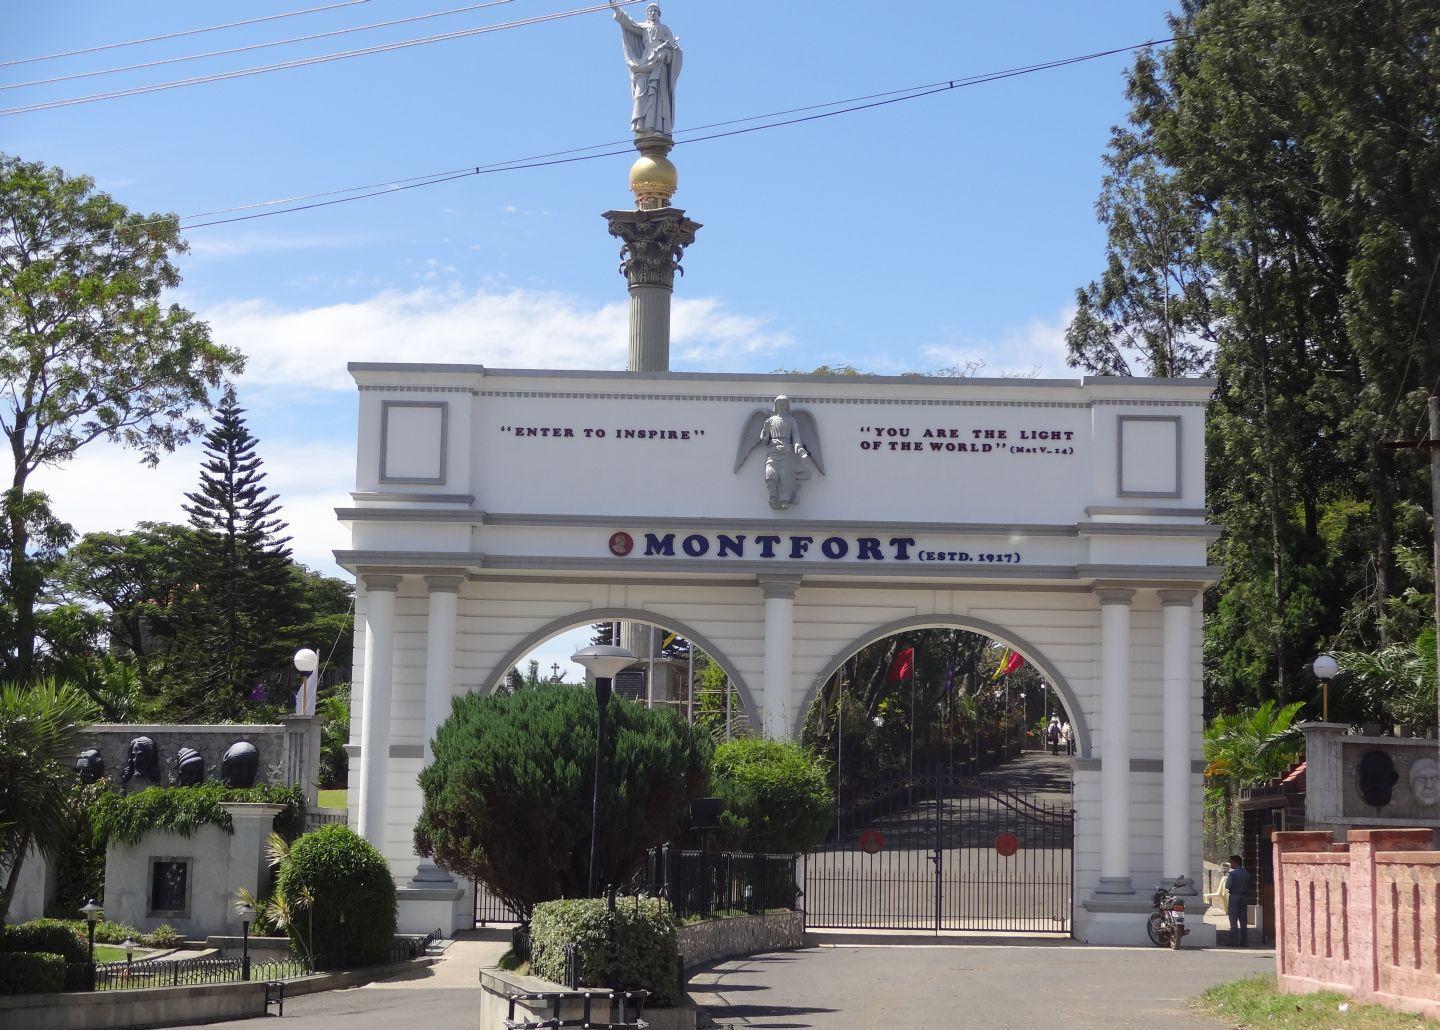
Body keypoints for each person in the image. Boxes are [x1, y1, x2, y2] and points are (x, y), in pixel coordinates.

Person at [609, 1, 683, 137]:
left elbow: (673, 48)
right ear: (647, 14)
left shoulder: (665, 29)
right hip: (644, 62)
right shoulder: (644, 27)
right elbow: (630, 24)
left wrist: (665, 55)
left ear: (659, 14)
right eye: (650, 11)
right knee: (640, 93)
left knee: (658, 97)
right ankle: (640, 125)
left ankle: (657, 128)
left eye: (655, 11)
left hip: (659, 64)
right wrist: (617, 9)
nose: (653, 13)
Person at [1223, 854, 1252, 946]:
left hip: (1234, 896)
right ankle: (1244, 941)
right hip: (1244, 897)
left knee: (1233, 920)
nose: (1231, 864)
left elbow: (1227, 885)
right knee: (1243, 921)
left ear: (1237, 863)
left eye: (1232, 862)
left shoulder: (1233, 873)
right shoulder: (1247, 874)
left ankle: (1234, 941)